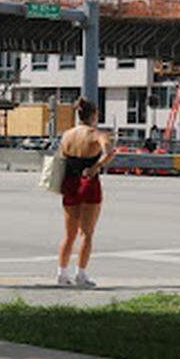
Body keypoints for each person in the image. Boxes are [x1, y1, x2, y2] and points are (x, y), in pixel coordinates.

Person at [55, 97, 116, 288]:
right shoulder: (97, 134)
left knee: (69, 234)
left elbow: (60, 159)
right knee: (87, 234)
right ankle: (80, 274)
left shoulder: (67, 135)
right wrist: (95, 167)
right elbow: (110, 152)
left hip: (70, 185)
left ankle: (61, 273)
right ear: (94, 114)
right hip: (88, 184)